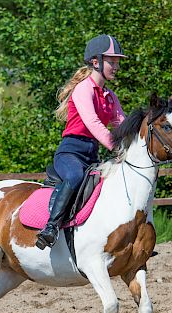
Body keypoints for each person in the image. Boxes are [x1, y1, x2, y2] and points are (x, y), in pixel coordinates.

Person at [35, 34, 127, 249]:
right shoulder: (83, 89)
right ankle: (50, 227)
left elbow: (122, 126)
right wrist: (117, 148)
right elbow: (93, 124)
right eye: (112, 61)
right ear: (96, 62)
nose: (116, 66)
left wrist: (133, 146)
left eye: (117, 62)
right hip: (71, 153)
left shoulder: (110, 96)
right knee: (75, 177)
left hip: (92, 155)